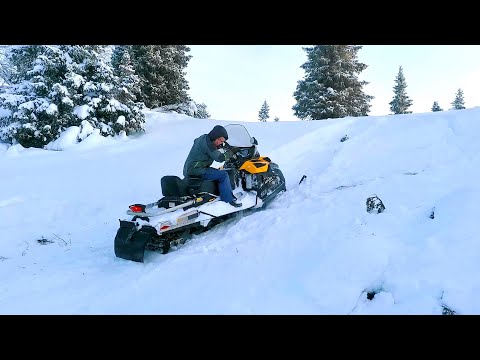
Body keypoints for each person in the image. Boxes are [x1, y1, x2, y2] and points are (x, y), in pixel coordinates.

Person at [183, 125, 242, 208]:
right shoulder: (209, 145)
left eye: (222, 142)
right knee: (223, 175)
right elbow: (220, 158)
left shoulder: (204, 137)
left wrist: (219, 146)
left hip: (189, 168)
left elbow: (196, 141)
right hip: (197, 169)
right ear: (215, 136)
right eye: (220, 140)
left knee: (216, 171)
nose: (221, 143)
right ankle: (228, 200)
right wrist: (231, 151)